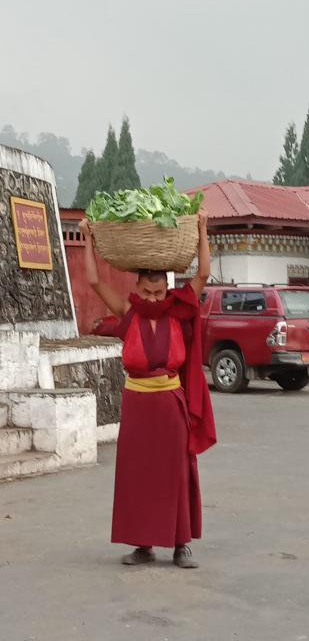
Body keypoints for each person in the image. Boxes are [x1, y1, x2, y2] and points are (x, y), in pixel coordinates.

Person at [79, 210, 216, 568]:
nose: (153, 299)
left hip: (170, 402)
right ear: (137, 288)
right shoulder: (128, 312)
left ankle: (181, 544)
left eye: (159, 292)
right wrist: (88, 239)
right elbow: (94, 282)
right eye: (147, 291)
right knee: (137, 473)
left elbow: (202, 273)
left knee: (176, 472)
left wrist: (202, 229)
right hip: (137, 403)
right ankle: (143, 545)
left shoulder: (178, 310)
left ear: (166, 289)